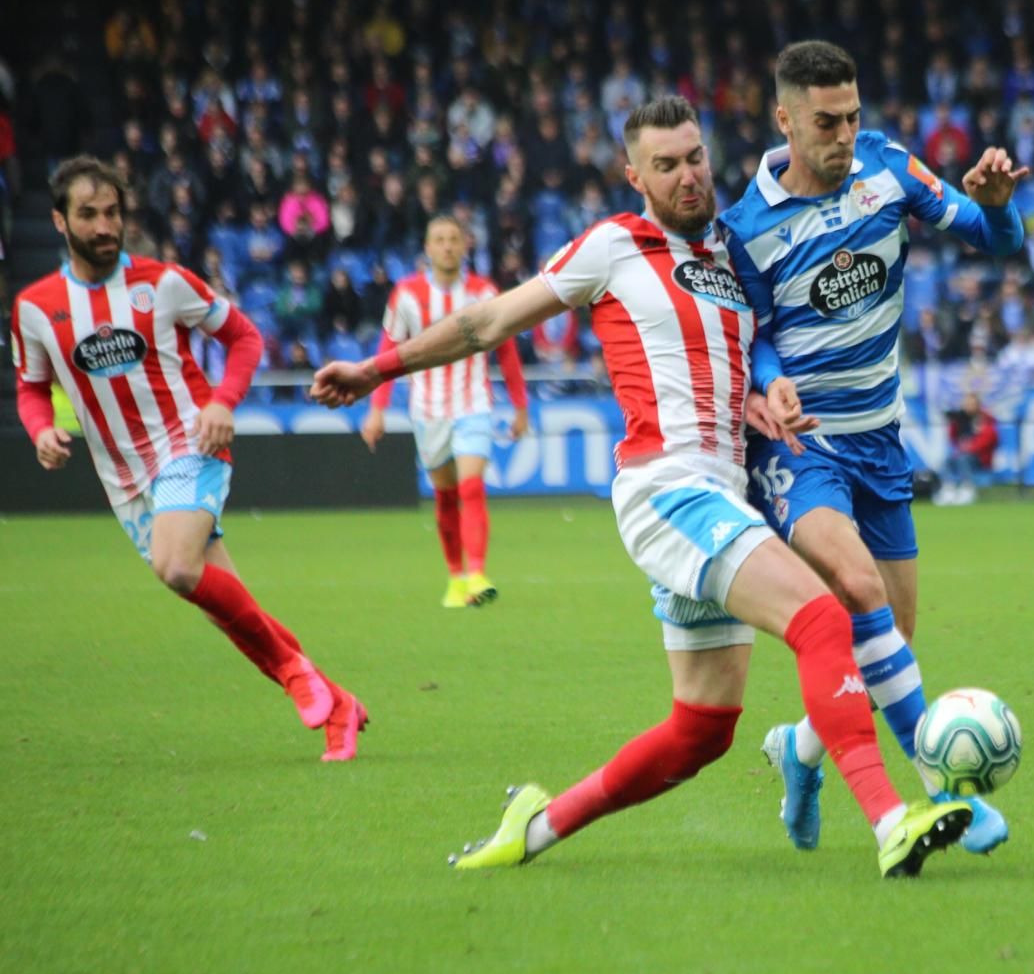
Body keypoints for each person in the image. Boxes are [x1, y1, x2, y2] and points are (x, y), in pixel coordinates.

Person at [310, 96, 970, 879]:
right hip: (667, 491)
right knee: (824, 617)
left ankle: (538, 824)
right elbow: (487, 324)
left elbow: (740, 367)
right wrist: (375, 368)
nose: (688, 176)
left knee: (703, 729)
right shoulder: (613, 247)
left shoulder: (731, 255)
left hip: (725, 491)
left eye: (694, 157)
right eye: (667, 165)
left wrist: (764, 397)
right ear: (635, 175)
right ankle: (892, 818)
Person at [720, 41, 1025, 856]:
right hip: (801, 447)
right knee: (858, 589)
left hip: (880, 442)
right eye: (826, 120)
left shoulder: (889, 167)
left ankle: (799, 749)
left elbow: (995, 239)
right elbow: (748, 338)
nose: (846, 132)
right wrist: (772, 378)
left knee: (886, 647)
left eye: (853, 114)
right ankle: (944, 791)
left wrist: (996, 206)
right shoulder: (744, 228)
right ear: (785, 119)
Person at [10, 156, 365, 761]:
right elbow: (30, 387)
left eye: (113, 213)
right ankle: (339, 703)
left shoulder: (164, 282)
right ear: (59, 222)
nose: (104, 226)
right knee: (230, 607)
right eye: (88, 214)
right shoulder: (36, 308)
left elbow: (246, 337)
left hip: (189, 443)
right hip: (123, 478)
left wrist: (224, 401)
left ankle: (297, 679)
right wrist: (41, 429)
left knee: (177, 568)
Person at [359, 215, 529, 607]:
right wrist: (377, 409)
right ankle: (455, 578)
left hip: (473, 402)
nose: (448, 245)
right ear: (428, 247)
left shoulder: (484, 292)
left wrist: (521, 406)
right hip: (428, 408)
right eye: (440, 239)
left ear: (465, 245)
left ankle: (477, 574)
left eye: (454, 239)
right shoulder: (406, 294)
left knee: (472, 486)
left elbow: (506, 351)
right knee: (446, 495)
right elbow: (388, 350)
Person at [938, 392, 999, 505]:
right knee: (947, 460)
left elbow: (990, 439)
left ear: (978, 405)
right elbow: (953, 438)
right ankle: (948, 488)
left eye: (971, 404)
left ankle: (967, 489)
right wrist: (955, 422)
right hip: (963, 455)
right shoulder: (961, 419)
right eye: (966, 404)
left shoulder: (985, 420)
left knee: (963, 459)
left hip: (981, 459)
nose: (968, 406)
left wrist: (969, 447)